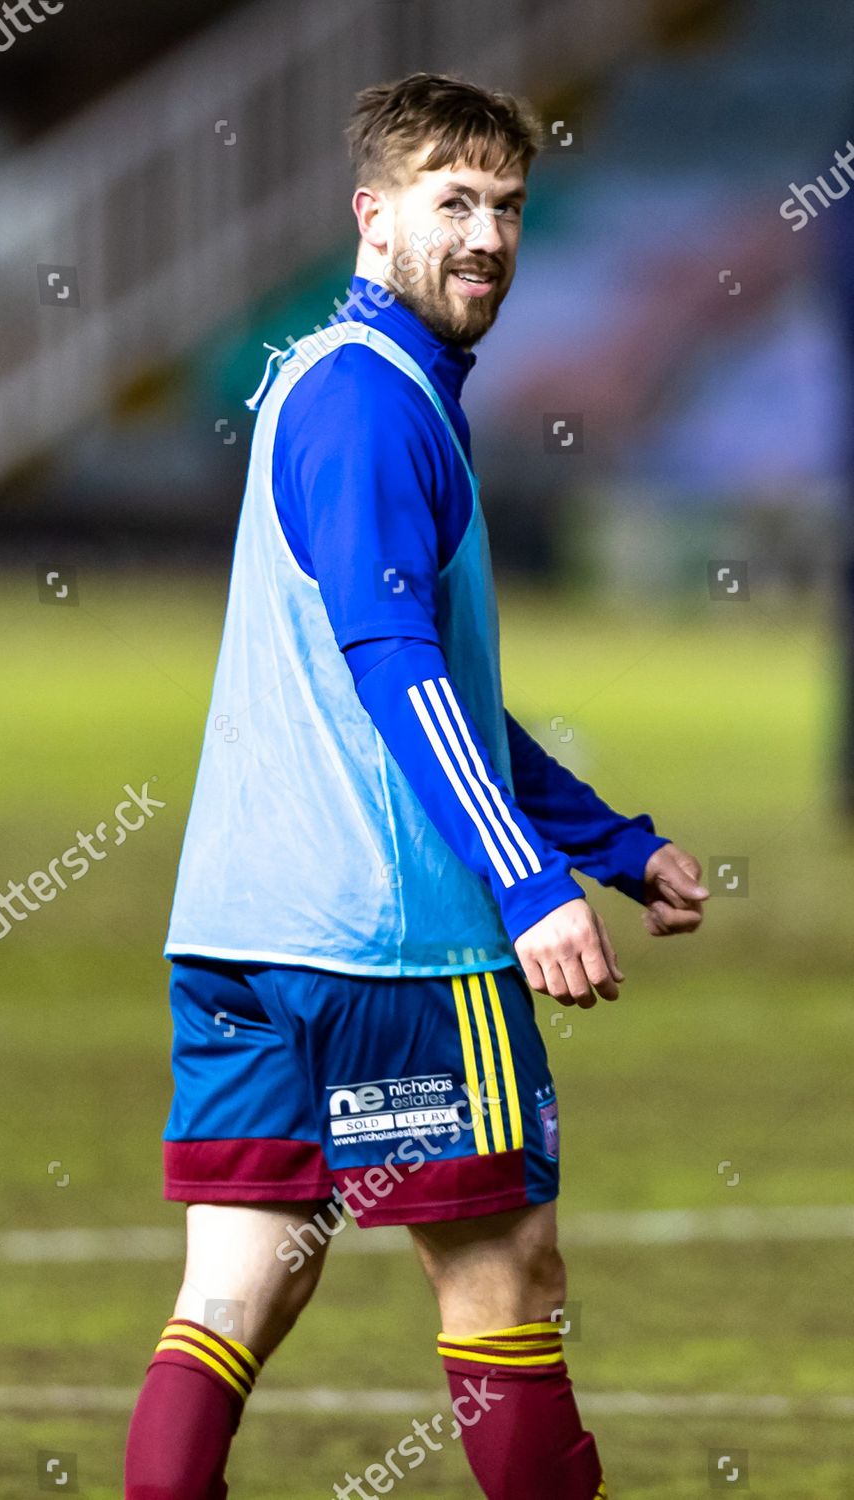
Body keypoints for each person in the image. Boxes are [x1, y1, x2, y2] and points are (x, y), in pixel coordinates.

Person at [124, 70, 709, 1500]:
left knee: (232, 1304)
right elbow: (395, 663)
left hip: (238, 937)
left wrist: (611, 843)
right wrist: (527, 885)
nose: (490, 237)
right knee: (510, 1279)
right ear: (373, 218)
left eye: (508, 206)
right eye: (453, 203)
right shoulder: (379, 409)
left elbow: (424, 678)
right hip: (395, 942)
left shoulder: (324, 386)